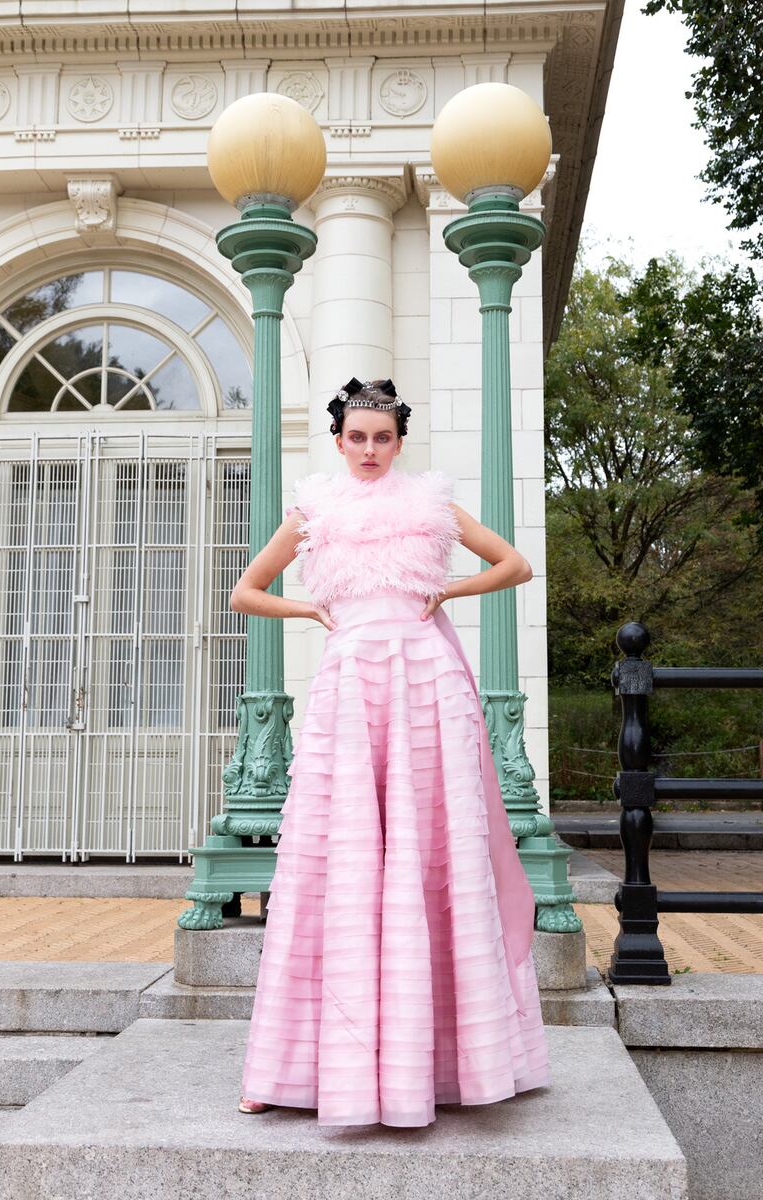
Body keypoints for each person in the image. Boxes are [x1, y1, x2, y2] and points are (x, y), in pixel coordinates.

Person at [232, 377, 550, 1127]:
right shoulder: (314, 509)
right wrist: (308, 605)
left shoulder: (431, 505)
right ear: (338, 439)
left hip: (425, 683)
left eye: (382, 437)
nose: (369, 449)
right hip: (349, 689)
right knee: (336, 853)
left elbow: (514, 565)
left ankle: (452, 1064)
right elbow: (246, 591)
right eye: (356, 436)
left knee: (431, 846)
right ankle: (292, 1068)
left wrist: (446, 594)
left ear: (399, 441)